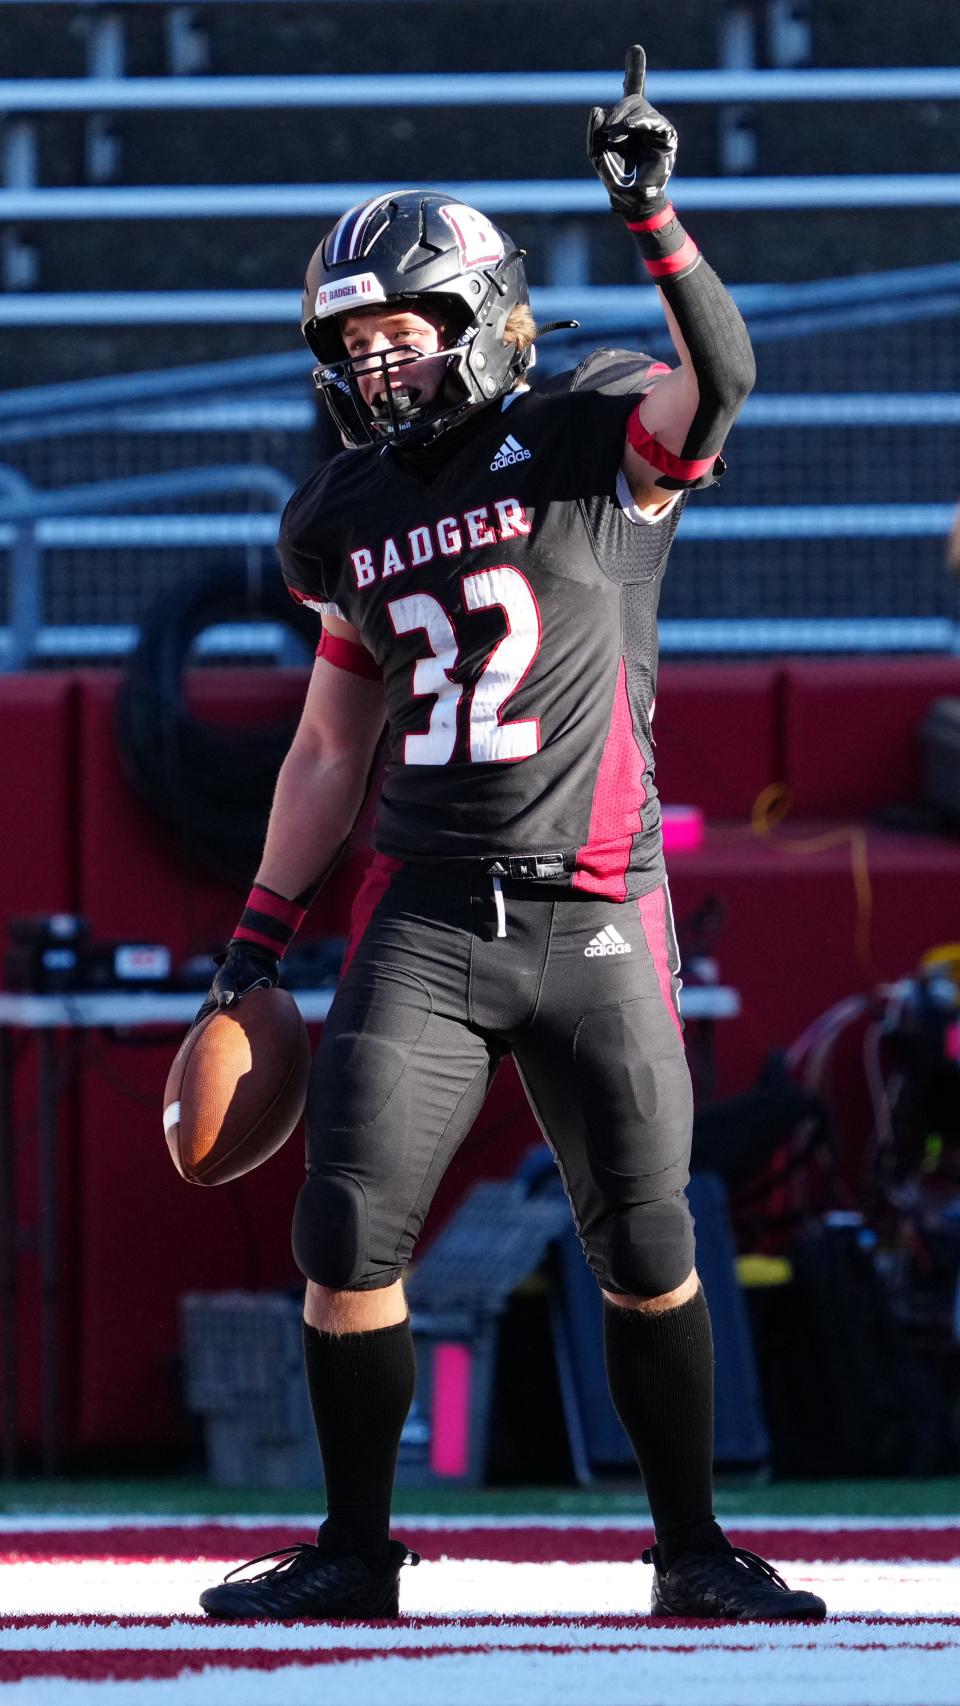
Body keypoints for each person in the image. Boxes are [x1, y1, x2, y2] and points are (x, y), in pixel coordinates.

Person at [198, 47, 826, 1624]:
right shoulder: (337, 513)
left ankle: (690, 1549)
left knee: (647, 1234)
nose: (376, 365)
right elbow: (332, 743)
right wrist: (256, 936)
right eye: (352, 342)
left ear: (478, 321)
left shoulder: (590, 432)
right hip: (427, 912)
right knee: (345, 1221)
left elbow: (727, 378)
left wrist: (658, 220)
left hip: (600, 902)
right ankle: (355, 1553)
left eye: (403, 334)